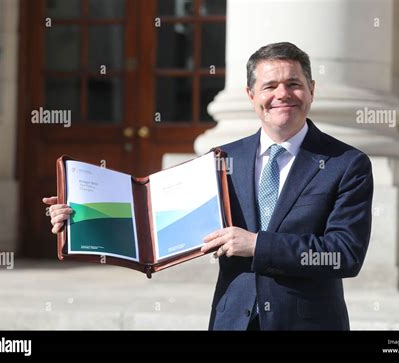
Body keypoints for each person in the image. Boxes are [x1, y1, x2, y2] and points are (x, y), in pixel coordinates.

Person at [44, 42, 373, 331]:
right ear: (251, 95)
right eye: (270, 85)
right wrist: (81, 216)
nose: (282, 94)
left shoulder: (346, 163)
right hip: (233, 321)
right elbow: (151, 226)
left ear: (311, 89)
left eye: (293, 84)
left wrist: (257, 245)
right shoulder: (221, 160)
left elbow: (343, 255)